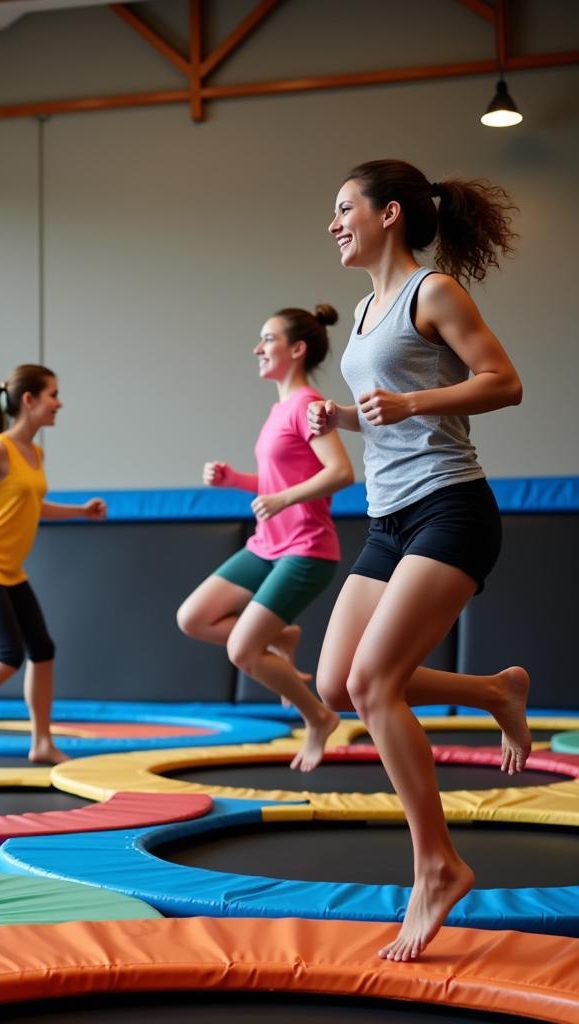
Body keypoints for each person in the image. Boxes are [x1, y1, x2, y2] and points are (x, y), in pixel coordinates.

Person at [309, 158, 529, 961]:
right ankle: (492, 689)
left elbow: (503, 383)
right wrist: (345, 414)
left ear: (389, 212)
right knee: (335, 685)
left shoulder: (430, 293)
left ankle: (436, 866)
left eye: (344, 209)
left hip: (451, 510)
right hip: (388, 521)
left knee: (373, 684)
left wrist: (411, 403)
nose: (333, 222)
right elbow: (392, 415)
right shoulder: (367, 309)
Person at [176, 307, 354, 771]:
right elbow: (277, 478)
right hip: (267, 545)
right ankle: (284, 635)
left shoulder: (306, 406)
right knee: (193, 618)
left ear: (296, 350)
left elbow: (342, 473)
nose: (257, 348)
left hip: (306, 550)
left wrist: (283, 500)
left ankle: (318, 717)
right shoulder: (279, 408)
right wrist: (234, 479)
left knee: (243, 650)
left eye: (267, 339)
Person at [0, 365, 106, 766]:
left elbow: (32, 505)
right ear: (28, 400)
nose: (59, 403)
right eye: (53, 394)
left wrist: (80, 511)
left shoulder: (36, 452)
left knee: (42, 650)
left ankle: (42, 742)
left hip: (11, 569)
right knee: (9, 654)